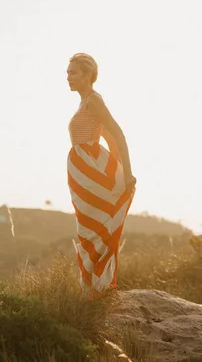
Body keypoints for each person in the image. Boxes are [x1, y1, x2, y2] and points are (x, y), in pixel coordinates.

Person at [66, 52, 136, 299]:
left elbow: (117, 134)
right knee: (86, 228)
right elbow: (107, 136)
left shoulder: (94, 101)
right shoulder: (84, 102)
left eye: (73, 72)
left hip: (91, 168)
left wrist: (125, 173)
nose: (68, 77)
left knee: (91, 229)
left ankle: (97, 288)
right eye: (67, 72)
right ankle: (93, 288)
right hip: (83, 170)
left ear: (88, 76)